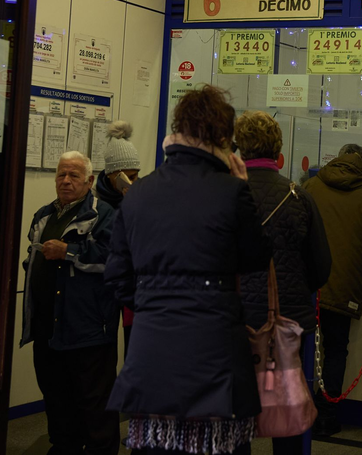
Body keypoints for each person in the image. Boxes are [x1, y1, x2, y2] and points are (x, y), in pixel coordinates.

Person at [105, 85, 271, 455]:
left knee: (156, 448)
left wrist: (153, 303)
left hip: (151, 351)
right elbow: (256, 258)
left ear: (178, 130)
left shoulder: (139, 192)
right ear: (223, 137)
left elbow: (116, 274)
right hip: (215, 350)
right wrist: (243, 189)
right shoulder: (231, 191)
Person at [235, 110, 332, 455]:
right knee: (287, 417)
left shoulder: (226, 194)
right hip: (287, 323)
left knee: (235, 417)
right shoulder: (298, 196)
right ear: (278, 150)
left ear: (239, 149)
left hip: (234, 322)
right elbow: (322, 268)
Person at [19, 151, 119, 455]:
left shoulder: (104, 215)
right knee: (57, 400)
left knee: (94, 406)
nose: (65, 181)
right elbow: (32, 255)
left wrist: (69, 252)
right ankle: (64, 447)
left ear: (89, 181)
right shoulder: (43, 214)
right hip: (47, 329)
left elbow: (112, 260)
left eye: (74, 175)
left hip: (87, 331)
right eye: (61, 174)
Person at [302, 143, 362, 437]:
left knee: (300, 348)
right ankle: (326, 416)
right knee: (336, 348)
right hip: (343, 286)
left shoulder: (312, 185)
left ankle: (298, 412)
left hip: (309, 282)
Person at [94, 120, 141, 357]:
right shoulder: (94, 204)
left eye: (136, 175)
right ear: (113, 174)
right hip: (102, 289)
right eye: (127, 176)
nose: (132, 181)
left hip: (133, 290)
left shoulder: (143, 199)